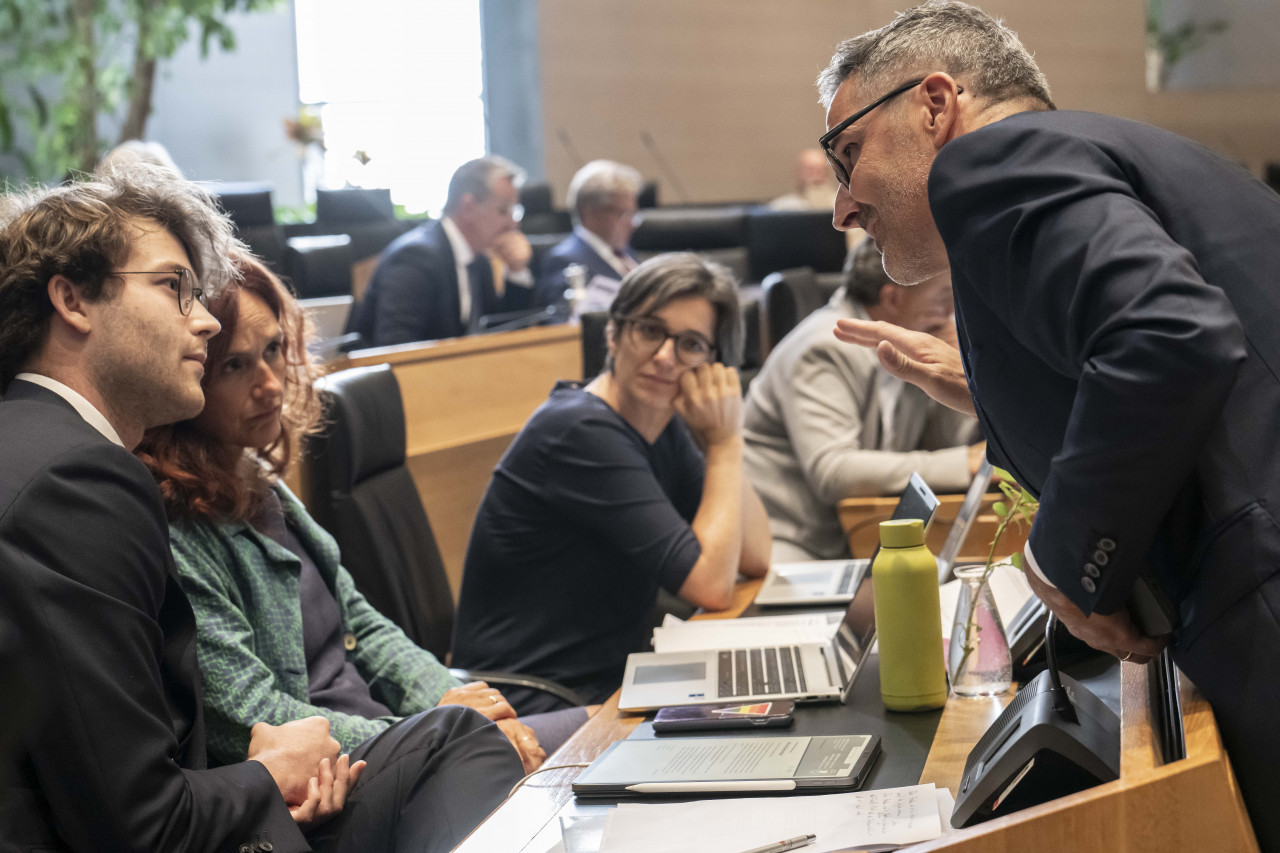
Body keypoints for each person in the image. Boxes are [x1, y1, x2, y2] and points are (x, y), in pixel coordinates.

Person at [816, 2, 1280, 846]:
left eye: (847, 154)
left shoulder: (995, 161)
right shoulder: (1096, 151)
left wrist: (1062, 562)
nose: (842, 207)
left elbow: (1172, 333)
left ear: (934, 104)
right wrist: (988, 394)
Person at [0, 165, 369, 851]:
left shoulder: (36, 445)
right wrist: (271, 773)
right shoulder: (72, 477)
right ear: (73, 299)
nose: (205, 319)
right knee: (458, 748)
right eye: (174, 286)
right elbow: (140, 823)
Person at [136, 252, 592, 780]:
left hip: (402, 742)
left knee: (609, 729)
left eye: (274, 350)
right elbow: (247, 718)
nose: (271, 384)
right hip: (353, 778)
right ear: (189, 372)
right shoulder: (174, 529)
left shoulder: (255, 476)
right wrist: (440, 733)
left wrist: (458, 707)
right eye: (234, 366)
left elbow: (365, 628)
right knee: (598, 750)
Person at [452, 253, 772, 713]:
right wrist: (723, 444)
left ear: (711, 365)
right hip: (533, 702)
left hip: (611, 688)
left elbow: (756, 556)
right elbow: (712, 586)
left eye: (691, 344)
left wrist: (720, 436)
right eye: (650, 330)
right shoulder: (578, 430)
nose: (665, 357)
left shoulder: (664, 424)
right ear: (613, 333)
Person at [744, 238, 983, 562]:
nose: (951, 311)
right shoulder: (825, 347)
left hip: (856, 533)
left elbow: (940, 442)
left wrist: (952, 371)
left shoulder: (912, 334)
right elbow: (834, 472)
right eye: (943, 296)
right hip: (787, 544)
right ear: (892, 298)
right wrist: (964, 463)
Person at [349, 155, 537, 346]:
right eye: (504, 210)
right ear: (468, 208)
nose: (514, 223)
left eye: (515, 211)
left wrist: (516, 271)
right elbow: (395, 347)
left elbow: (498, 339)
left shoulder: (479, 259)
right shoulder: (415, 258)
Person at [535, 159, 643, 312]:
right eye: (623, 213)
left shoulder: (627, 253)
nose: (632, 223)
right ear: (591, 213)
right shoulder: (563, 260)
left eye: (633, 214)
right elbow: (563, 320)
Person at [768, 148, 839, 212]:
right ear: (798, 172)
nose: (815, 177)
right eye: (810, 170)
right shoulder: (780, 209)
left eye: (820, 171)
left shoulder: (841, 206)